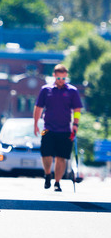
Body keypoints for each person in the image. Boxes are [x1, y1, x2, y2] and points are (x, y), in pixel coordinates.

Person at [33, 64, 82, 192]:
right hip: (48, 128)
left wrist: (75, 124)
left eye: (63, 78)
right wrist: (35, 123)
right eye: (59, 78)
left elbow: (77, 109)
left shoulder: (72, 91)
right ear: (54, 76)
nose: (61, 81)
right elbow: (38, 107)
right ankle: (48, 174)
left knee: (62, 157)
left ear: (66, 77)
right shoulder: (46, 90)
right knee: (46, 154)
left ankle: (57, 182)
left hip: (65, 129)